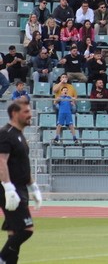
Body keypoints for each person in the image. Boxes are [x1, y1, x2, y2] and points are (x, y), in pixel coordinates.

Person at [0, 100, 41, 264]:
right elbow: (1, 162)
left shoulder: (20, 135)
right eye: (26, 112)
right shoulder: (6, 134)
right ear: (14, 113)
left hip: (21, 188)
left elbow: (23, 164)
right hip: (11, 188)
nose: (30, 115)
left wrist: (33, 187)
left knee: (14, 232)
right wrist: (8, 188)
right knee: (26, 229)